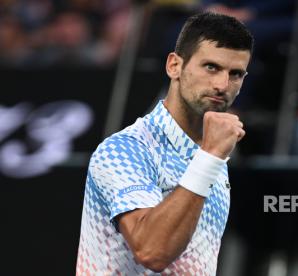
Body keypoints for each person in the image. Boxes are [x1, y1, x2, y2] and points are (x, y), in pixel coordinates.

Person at [76, 12, 253, 275]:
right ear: (174, 66)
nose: (222, 85)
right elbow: (152, 252)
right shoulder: (124, 149)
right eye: (211, 67)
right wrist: (210, 156)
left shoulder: (210, 155)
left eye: (236, 73)